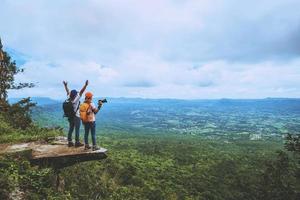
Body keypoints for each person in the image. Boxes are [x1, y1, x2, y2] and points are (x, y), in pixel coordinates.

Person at [63, 80, 88, 147]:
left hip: (70, 116)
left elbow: (67, 91)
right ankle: (77, 142)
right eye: (76, 94)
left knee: (71, 128)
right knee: (77, 129)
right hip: (76, 116)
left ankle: (70, 142)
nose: (77, 94)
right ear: (75, 95)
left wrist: (65, 86)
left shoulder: (68, 98)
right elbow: (81, 92)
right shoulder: (75, 99)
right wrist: (85, 85)